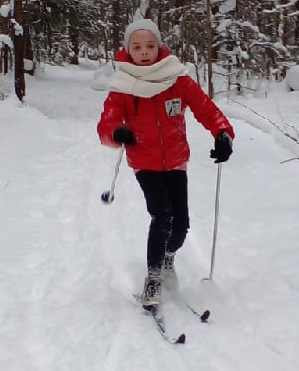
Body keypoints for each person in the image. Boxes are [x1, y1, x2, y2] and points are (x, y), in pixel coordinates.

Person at [97, 17, 234, 307]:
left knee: (181, 224)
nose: (143, 51)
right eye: (137, 47)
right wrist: (116, 132)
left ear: (159, 47)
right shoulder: (124, 84)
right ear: (127, 50)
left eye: (149, 45)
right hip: (144, 161)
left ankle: (168, 256)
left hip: (175, 161)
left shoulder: (176, 78)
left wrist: (223, 133)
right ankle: (153, 278)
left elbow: (205, 108)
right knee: (162, 215)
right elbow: (107, 122)